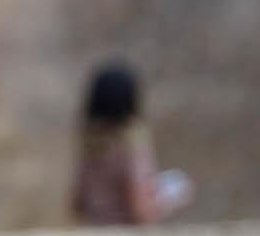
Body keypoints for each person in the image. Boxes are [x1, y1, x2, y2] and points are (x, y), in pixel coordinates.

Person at [70, 61, 193, 225]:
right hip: (126, 235)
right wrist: (172, 198)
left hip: (96, 231)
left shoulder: (90, 146)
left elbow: (77, 204)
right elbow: (140, 211)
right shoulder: (131, 147)